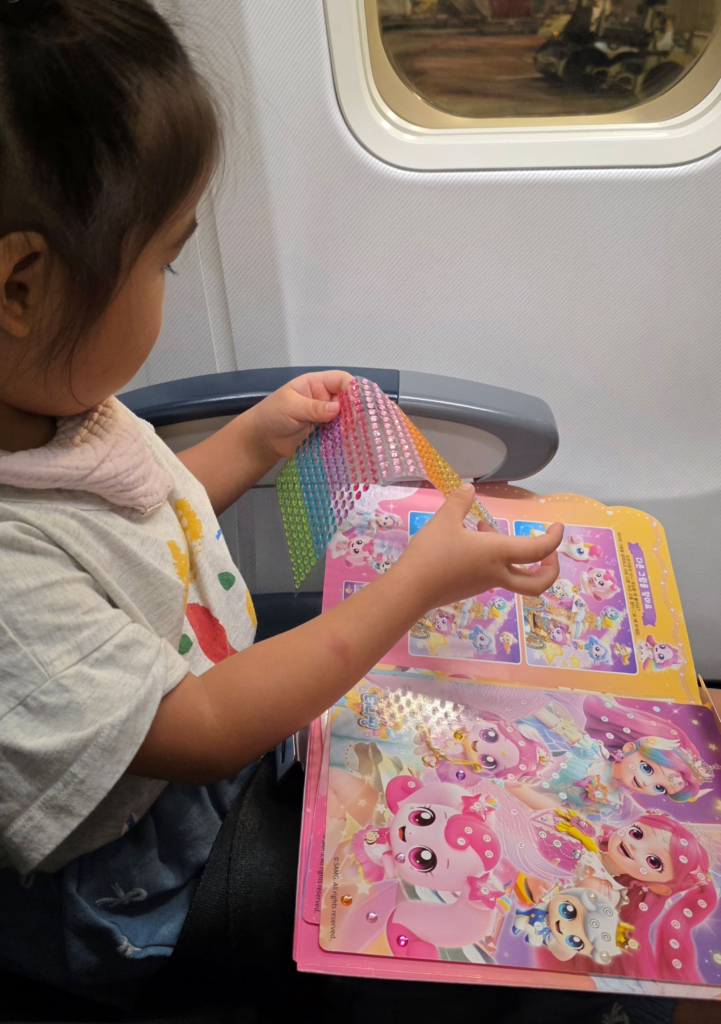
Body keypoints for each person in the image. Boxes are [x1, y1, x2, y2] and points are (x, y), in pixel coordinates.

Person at [0, 0, 563, 1007]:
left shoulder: (50, 406)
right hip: (148, 875)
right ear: (21, 286)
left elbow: (154, 513)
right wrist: (412, 586)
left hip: (189, 718)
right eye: (163, 260)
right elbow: (205, 726)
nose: (168, 282)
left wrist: (255, 440)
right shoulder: (12, 579)